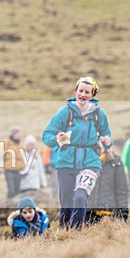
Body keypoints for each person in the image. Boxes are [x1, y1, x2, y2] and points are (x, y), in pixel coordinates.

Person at [42, 76, 112, 229]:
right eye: (80, 91)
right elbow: (46, 136)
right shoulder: (64, 112)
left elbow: (107, 136)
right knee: (67, 202)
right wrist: (57, 139)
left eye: (87, 92)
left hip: (91, 162)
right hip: (65, 162)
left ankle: (76, 231)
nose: (83, 95)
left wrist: (107, 141)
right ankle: (64, 232)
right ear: (75, 91)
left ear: (92, 94)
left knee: (80, 196)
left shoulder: (99, 114)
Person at [86, 147, 129, 224]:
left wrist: (123, 213)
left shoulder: (116, 162)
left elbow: (121, 189)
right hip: (87, 214)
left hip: (109, 214)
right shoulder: (83, 160)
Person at [0, 126, 25, 199]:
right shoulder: (6, 143)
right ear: (14, 134)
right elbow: (0, 155)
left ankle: (17, 203)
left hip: (18, 170)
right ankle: (9, 203)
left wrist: (23, 166)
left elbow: (23, 157)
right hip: (9, 170)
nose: (20, 135)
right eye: (18, 133)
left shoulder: (20, 145)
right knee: (11, 189)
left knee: (18, 190)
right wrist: (0, 166)